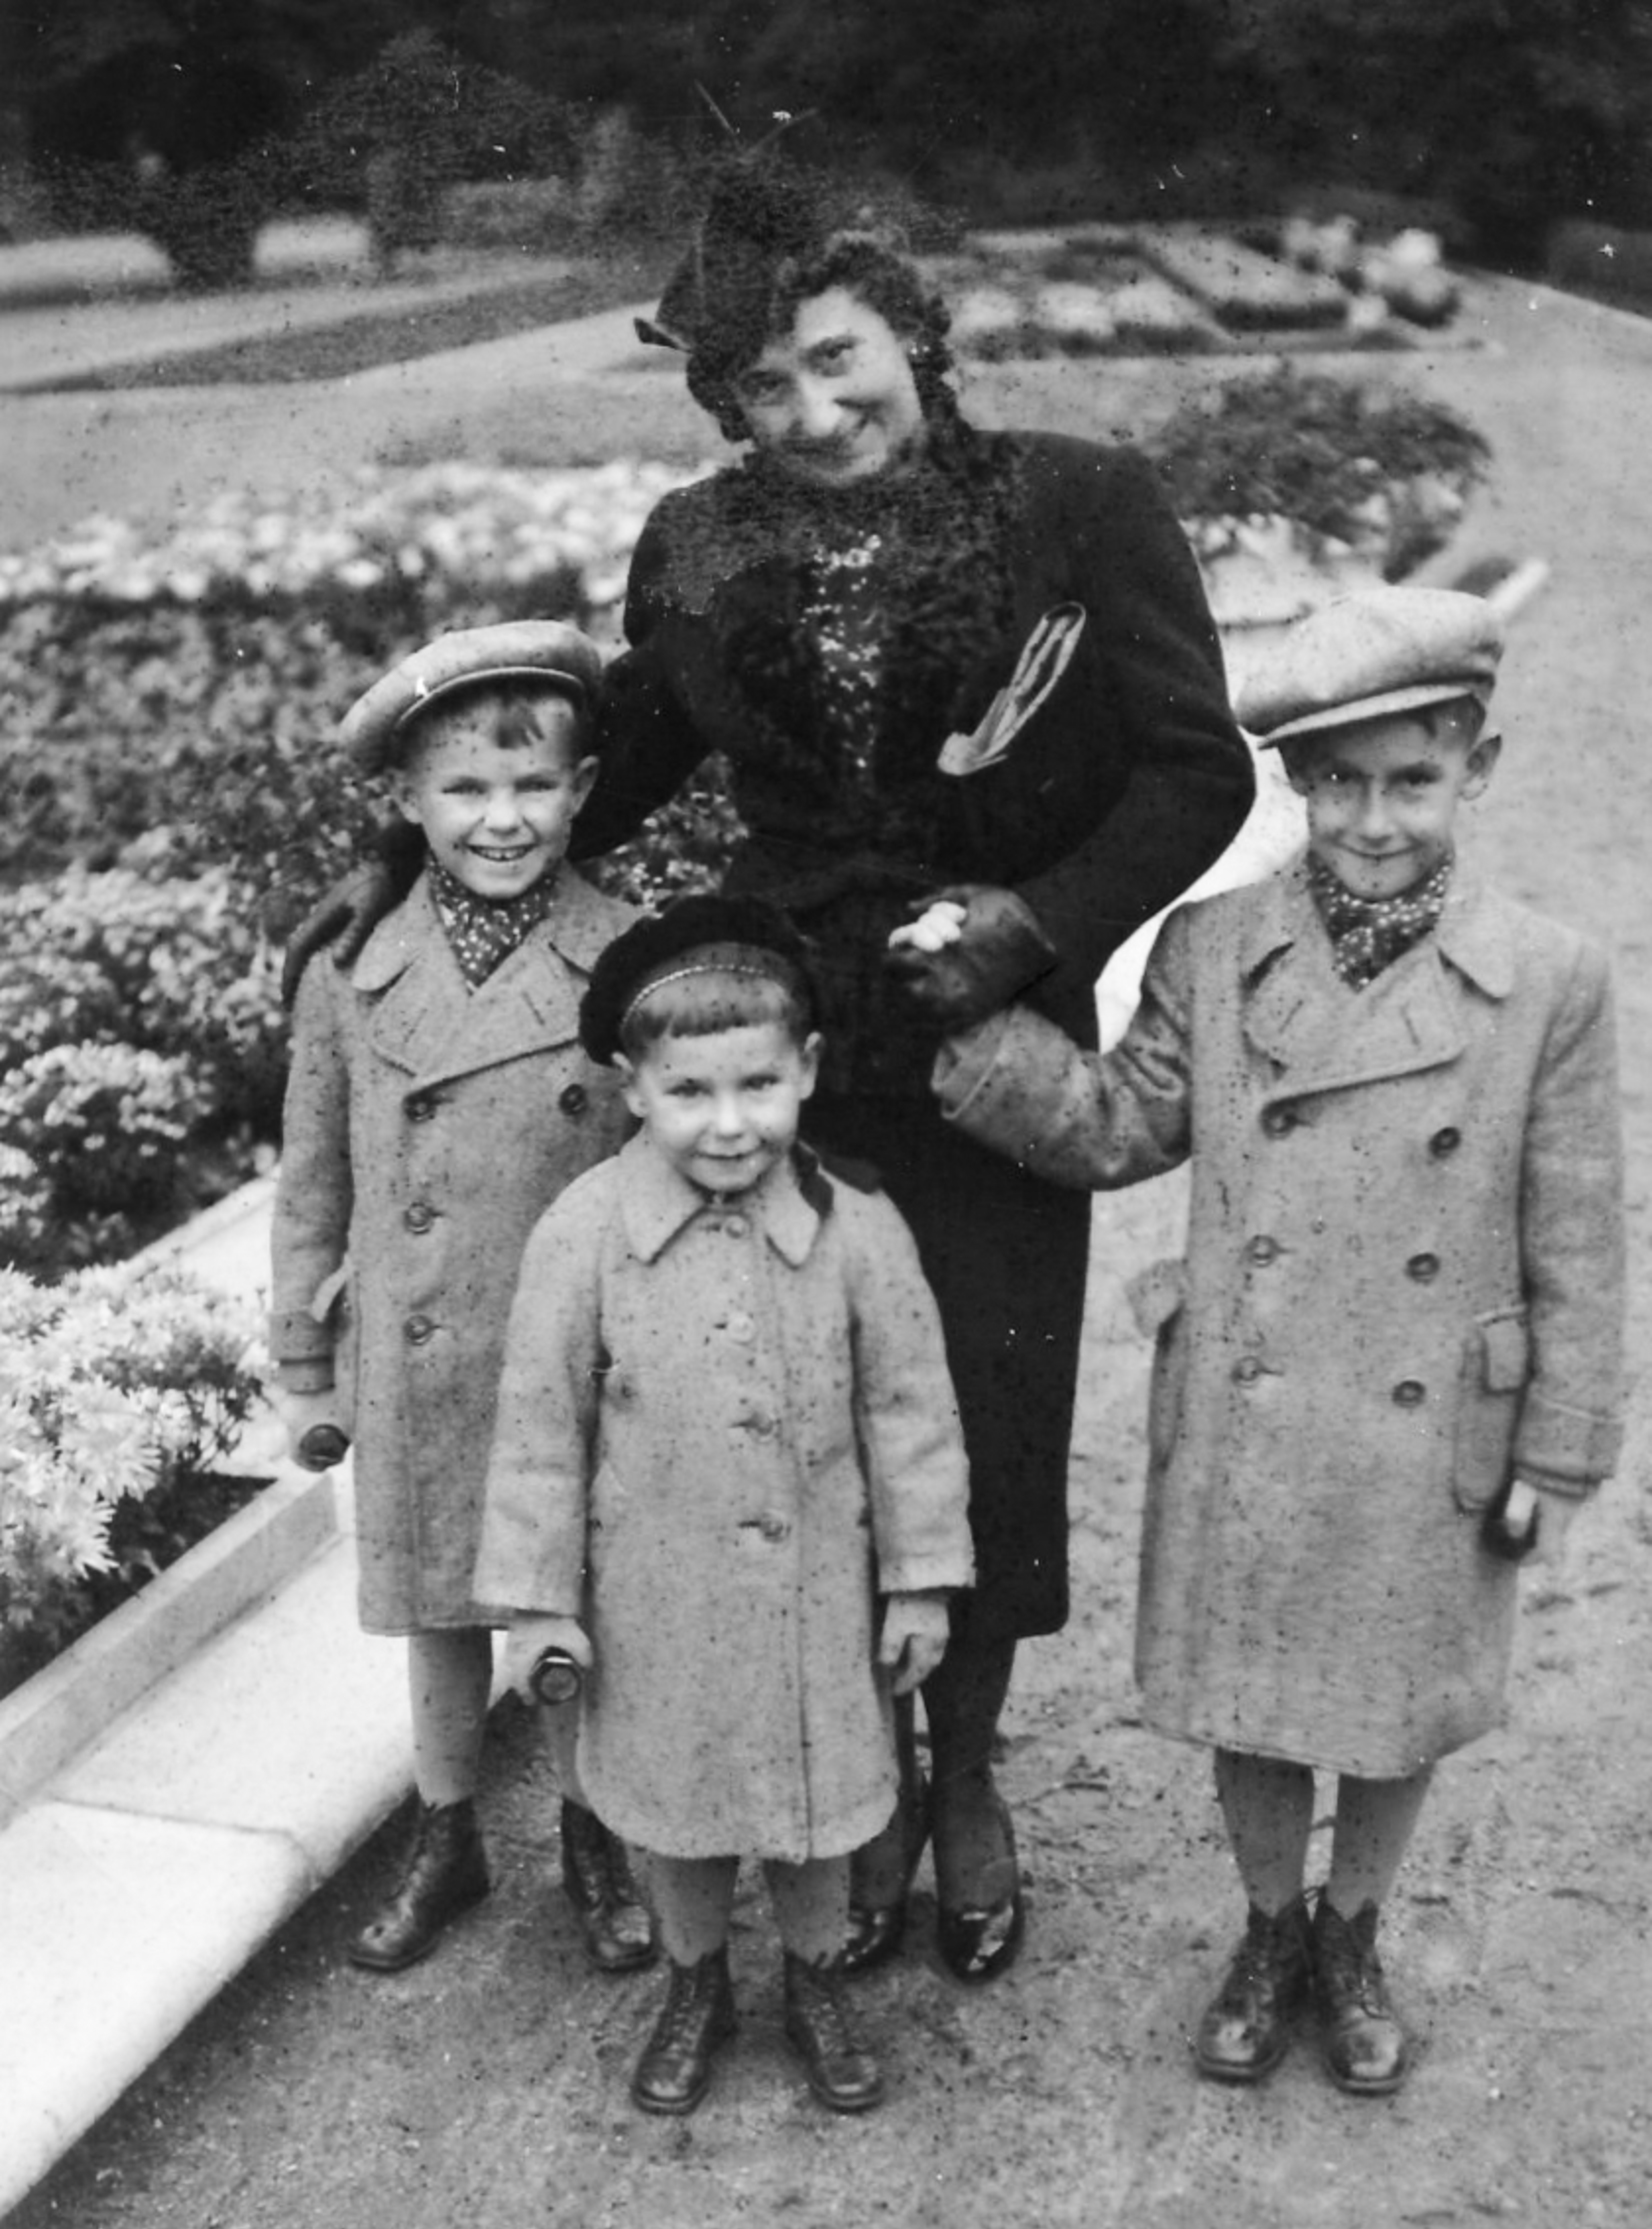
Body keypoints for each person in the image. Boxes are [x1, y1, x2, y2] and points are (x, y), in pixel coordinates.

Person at [284, 152, 1255, 1983]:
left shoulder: (1081, 501)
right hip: (773, 1054)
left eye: (834, 358)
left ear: (907, 328)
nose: (812, 413)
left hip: (983, 1043)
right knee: (795, 1412)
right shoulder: (698, 540)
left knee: (985, 1403)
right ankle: (851, 1783)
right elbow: (625, 763)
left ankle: (966, 1778)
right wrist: (403, 858)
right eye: (761, 388)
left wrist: (1036, 924)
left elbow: (1193, 771)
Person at [928, 585, 1626, 2091]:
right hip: (1255, 1397)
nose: (1374, 820)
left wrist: (1560, 1450)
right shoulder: (1218, 947)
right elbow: (1122, 1124)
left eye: (1413, 780)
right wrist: (970, 1034)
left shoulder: (1548, 978)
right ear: (1298, 782)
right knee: (1251, 1693)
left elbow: (1575, 1232)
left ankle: (1350, 1934)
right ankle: (1265, 1927)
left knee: (1391, 1708)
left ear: (1478, 769)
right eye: (1341, 783)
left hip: (1430, 1412)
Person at [473, 897, 974, 2113]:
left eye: (758, 1084)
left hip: (819, 1591)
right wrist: (537, 1605)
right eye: (689, 1092)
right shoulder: (582, 1233)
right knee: (676, 1803)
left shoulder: (858, 1226)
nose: (730, 1122)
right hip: (654, 1593)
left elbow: (910, 1414)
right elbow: (538, 1432)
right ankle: (694, 1983)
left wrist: (918, 1582)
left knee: (813, 1806)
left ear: (807, 1069)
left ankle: (814, 1980)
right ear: (632, 1088)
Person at [268, 622, 655, 1980]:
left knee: (573, 1602)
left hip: (568, 1355)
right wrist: (302, 1364)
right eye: (466, 790)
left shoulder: (627, 955)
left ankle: (592, 1831)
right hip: (417, 1346)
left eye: (533, 785)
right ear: (406, 799)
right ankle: (446, 1831)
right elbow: (313, 1176)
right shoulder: (350, 969)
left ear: (584, 786)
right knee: (434, 1606)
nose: (503, 819)